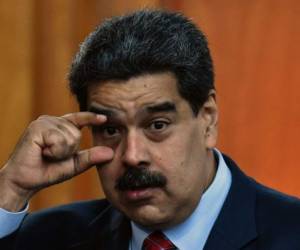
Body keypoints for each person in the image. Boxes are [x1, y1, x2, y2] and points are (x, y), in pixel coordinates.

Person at [0, 9, 299, 250]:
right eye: (112, 130)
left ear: (207, 119)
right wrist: (10, 189)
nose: (132, 156)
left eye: (157, 125)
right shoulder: (50, 237)